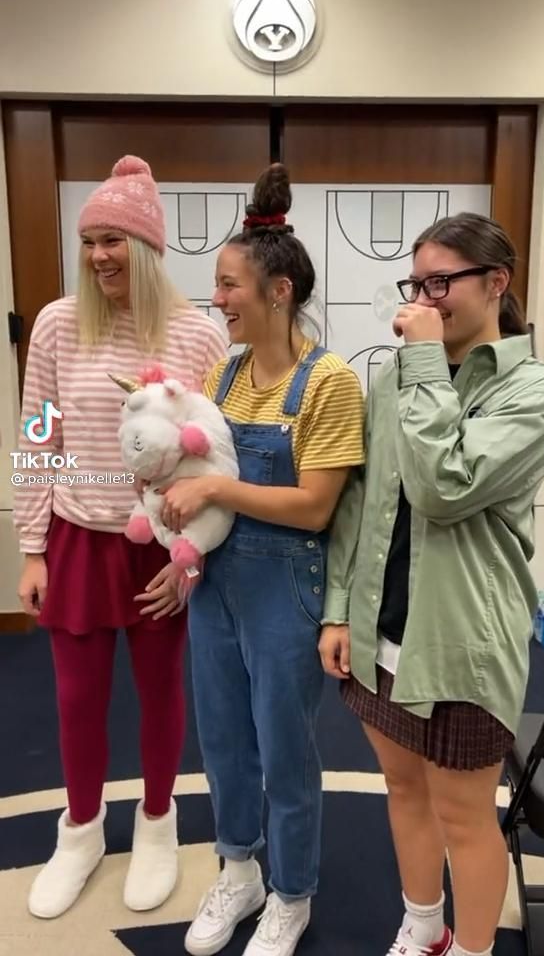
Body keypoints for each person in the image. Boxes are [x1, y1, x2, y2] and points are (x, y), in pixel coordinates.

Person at [319, 212, 544, 956]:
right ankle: (423, 925)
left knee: (465, 817)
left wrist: (424, 363)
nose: (423, 302)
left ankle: (471, 949)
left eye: (441, 284)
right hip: (381, 630)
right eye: (416, 284)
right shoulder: (395, 377)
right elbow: (360, 505)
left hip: (461, 643)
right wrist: (339, 612)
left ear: (496, 283)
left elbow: (443, 487)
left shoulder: (538, 391)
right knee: (403, 789)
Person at [157, 162, 365, 956]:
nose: (219, 298)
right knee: (223, 740)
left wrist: (213, 486)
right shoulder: (224, 372)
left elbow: (315, 506)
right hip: (216, 588)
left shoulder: (331, 383)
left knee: (285, 749)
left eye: (230, 284)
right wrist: (181, 550)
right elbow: (201, 487)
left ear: (279, 292)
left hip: (288, 586)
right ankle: (238, 869)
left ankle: (293, 892)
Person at [14, 155, 227, 920]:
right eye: (91, 239)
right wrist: (33, 548)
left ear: (148, 248)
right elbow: (38, 438)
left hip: (161, 543)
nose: (101, 255)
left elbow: (213, 449)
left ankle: (159, 825)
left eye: (116, 240)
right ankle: (79, 832)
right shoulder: (56, 324)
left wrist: (190, 556)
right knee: (76, 698)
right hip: (76, 538)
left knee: (162, 692)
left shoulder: (198, 335)